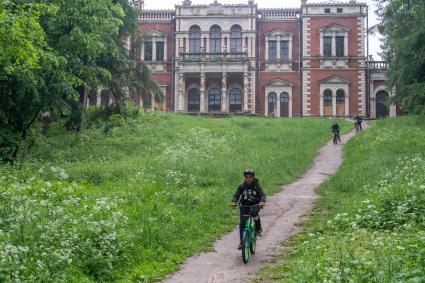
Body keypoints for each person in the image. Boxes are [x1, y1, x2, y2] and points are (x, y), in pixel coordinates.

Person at [231, 169, 266, 250]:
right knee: (242, 224)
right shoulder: (242, 185)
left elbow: (262, 194)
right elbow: (236, 195)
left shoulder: (256, 185)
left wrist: (262, 201)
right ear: (244, 177)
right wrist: (234, 201)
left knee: (254, 213)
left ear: (253, 177)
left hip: (255, 205)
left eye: (250, 177)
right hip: (244, 205)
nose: (248, 179)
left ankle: (258, 228)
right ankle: (241, 242)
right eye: (246, 177)